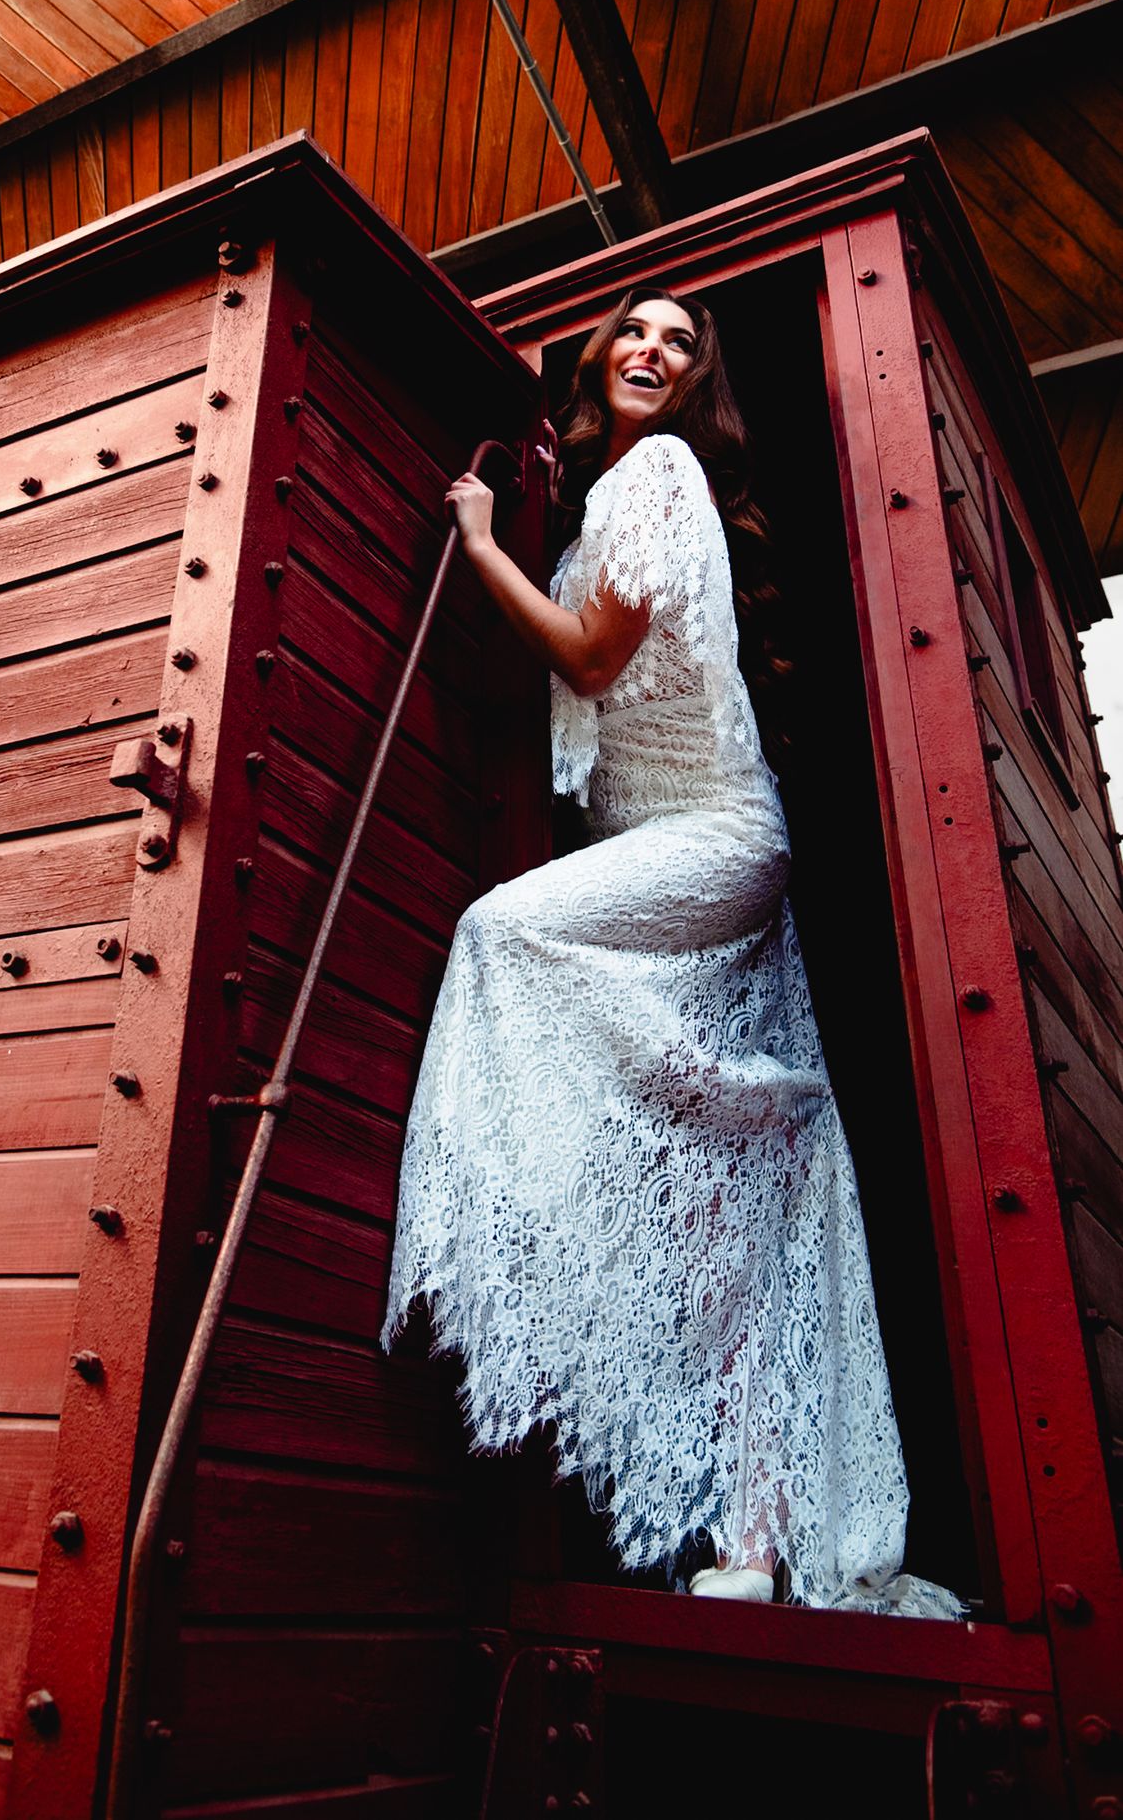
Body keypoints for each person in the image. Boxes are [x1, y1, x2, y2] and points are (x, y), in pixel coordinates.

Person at [382, 285, 962, 1615]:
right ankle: (752, 1545)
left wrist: (477, 540)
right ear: (598, 357)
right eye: (633, 331)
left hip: (714, 838)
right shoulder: (607, 499)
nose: (651, 349)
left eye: (680, 342)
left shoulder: (656, 474)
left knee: (499, 933)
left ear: (698, 383)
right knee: (729, 1209)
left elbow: (591, 660)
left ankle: (520, 1269)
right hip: (688, 852)